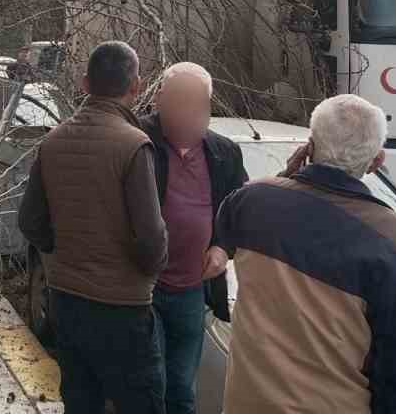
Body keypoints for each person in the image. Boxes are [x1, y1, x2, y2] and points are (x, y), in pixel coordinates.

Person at [214, 94, 396, 414]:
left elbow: (230, 223)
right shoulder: (394, 240)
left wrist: (288, 175)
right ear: (376, 162)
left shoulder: (251, 202)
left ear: (309, 147)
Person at [17, 41, 168, 414]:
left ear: (85, 83)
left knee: (82, 402)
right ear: (136, 86)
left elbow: (29, 220)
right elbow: (150, 238)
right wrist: (146, 271)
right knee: (140, 403)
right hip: (123, 309)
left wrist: (60, 253)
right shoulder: (134, 145)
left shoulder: (52, 142)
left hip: (67, 302)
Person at [139, 62, 249, 414]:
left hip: (191, 289)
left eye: (197, 106)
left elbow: (239, 211)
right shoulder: (138, 142)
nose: (188, 115)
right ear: (159, 101)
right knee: (150, 382)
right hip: (144, 287)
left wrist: (223, 248)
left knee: (183, 389)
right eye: (179, 104)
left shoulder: (224, 153)